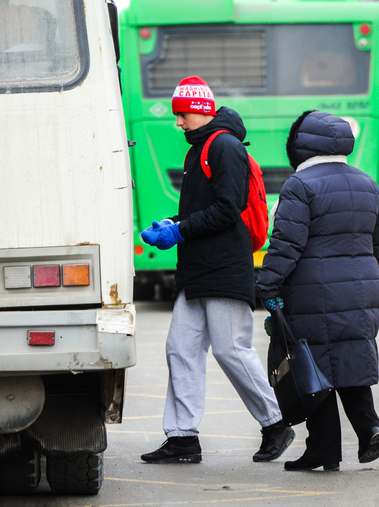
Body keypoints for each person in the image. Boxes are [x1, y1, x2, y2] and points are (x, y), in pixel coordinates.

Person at [139, 76, 294, 464]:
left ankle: (276, 424)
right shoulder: (200, 150)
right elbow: (202, 211)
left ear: (203, 110)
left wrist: (180, 229)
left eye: (183, 115)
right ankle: (182, 439)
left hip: (224, 267)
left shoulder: (223, 146)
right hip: (198, 269)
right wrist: (173, 221)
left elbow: (229, 209)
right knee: (181, 348)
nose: (178, 123)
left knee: (232, 350)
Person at [255, 111, 379, 472]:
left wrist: (266, 283)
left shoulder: (300, 185)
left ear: (301, 145)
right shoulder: (367, 183)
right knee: (351, 359)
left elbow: (286, 246)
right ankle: (369, 427)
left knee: (316, 372)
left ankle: (323, 450)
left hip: (312, 292)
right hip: (360, 289)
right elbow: (376, 246)